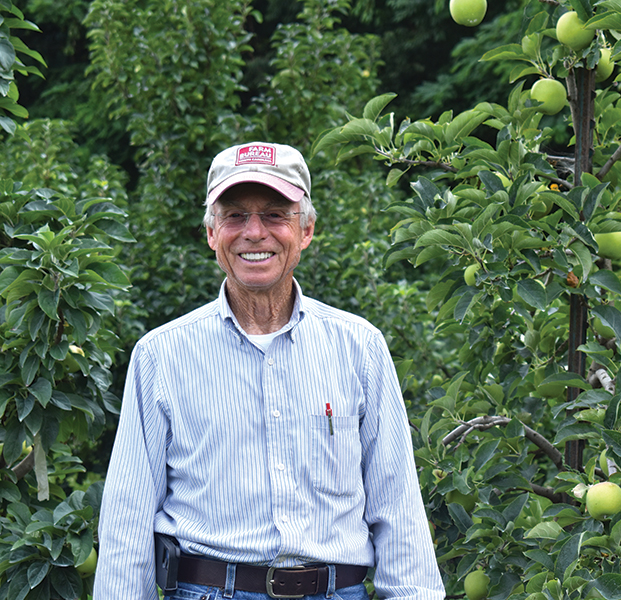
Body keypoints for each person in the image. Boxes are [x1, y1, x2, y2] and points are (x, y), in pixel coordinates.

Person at [94, 142, 445, 600]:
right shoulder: (161, 355)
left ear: (306, 230)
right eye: (235, 216)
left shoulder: (360, 347)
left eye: (275, 215)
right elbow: (128, 516)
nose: (254, 232)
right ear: (211, 233)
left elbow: (397, 504)